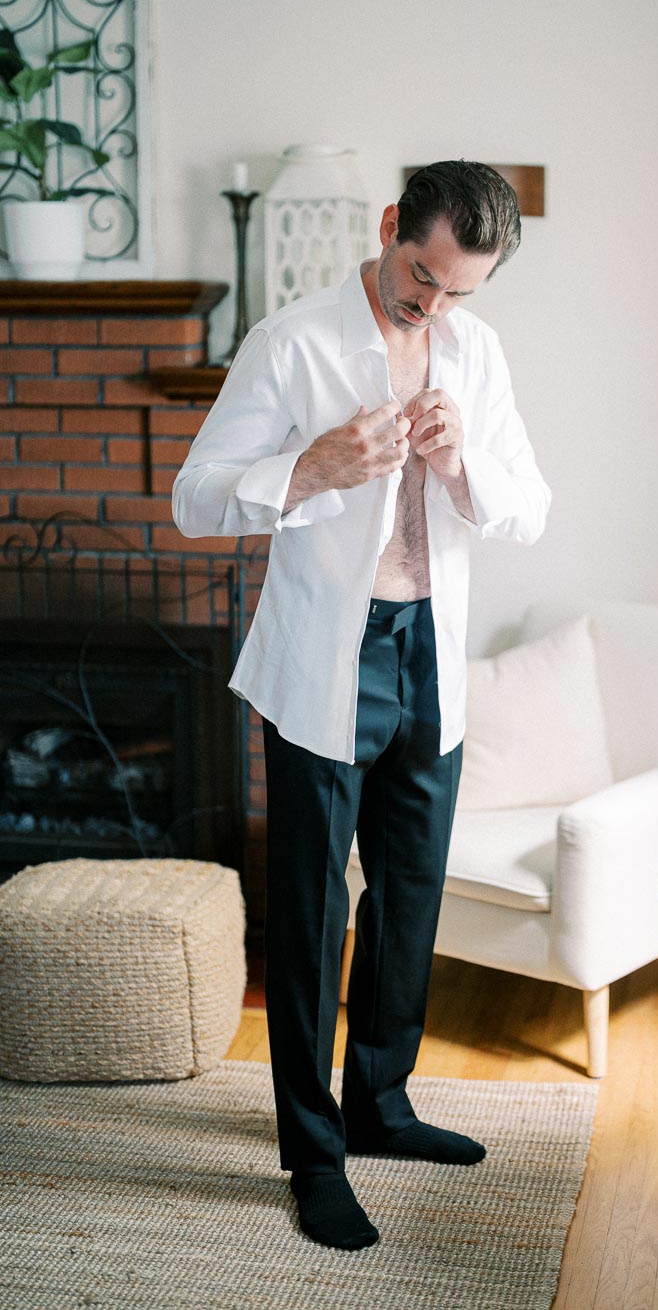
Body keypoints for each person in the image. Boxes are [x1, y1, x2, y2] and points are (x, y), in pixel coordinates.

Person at [172, 160, 551, 1250]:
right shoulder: (290, 341)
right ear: (391, 227)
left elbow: (529, 507)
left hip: (433, 647)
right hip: (323, 661)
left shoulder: (478, 355)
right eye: (421, 274)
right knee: (309, 912)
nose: (432, 304)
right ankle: (312, 1149)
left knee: (409, 894)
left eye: (457, 291)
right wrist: (310, 466)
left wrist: (465, 461)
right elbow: (194, 497)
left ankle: (382, 1106)